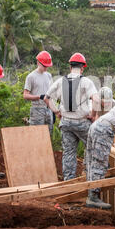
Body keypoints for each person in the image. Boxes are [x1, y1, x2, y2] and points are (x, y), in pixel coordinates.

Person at [44, 53, 98, 181]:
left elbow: (46, 98)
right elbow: (96, 99)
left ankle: (69, 181)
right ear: (82, 68)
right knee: (91, 149)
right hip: (82, 123)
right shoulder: (86, 81)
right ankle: (89, 178)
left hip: (66, 123)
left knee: (68, 153)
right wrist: (93, 115)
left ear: (70, 67)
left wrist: (57, 112)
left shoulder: (60, 81)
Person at [23, 51, 54, 136]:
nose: (46, 68)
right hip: (37, 109)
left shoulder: (48, 75)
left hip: (48, 109)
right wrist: (39, 96)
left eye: (47, 66)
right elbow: (25, 95)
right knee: (36, 135)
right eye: (44, 65)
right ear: (38, 62)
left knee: (48, 135)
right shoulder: (31, 76)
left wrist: (53, 109)